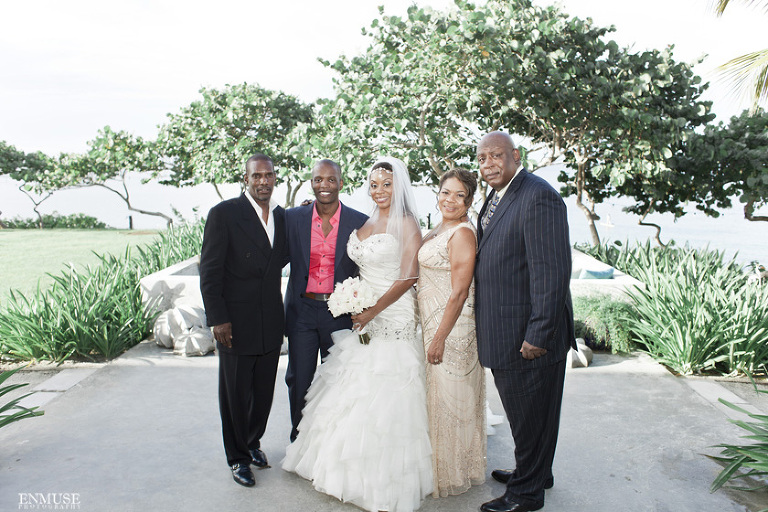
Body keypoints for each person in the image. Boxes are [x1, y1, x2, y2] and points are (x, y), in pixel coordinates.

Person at [282, 157, 433, 512]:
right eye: (374, 184)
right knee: (335, 385)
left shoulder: (405, 222)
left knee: (387, 390)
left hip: (388, 315)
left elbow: (408, 276)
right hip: (345, 311)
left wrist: (371, 309)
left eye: (387, 184)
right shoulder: (360, 221)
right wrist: (359, 304)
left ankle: (384, 472)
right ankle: (310, 444)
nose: (379, 191)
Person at [474, 132, 575, 512]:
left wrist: (538, 333)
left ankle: (525, 494)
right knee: (534, 414)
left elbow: (551, 272)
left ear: (515, 155)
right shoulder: (501, 195)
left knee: (529, 415)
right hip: (508, 328)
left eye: (496, 156)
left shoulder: (538, 196)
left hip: (526, 336)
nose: (488, 164)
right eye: (482, 159)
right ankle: (535, 472)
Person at [199, 154, 287, 487]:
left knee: (263, 392)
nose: (263, 181)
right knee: (235, 393)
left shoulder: (281, 216)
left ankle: (252, 443)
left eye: (268, 175)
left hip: (270, 318)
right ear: (245, 178)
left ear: (275, 178)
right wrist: (218, 318)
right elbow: (209, 271)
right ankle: (237, 458)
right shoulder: (224, 214)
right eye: (256, 176)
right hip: (234, 321)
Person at [283, 159, 368, 442]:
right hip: (302, 311)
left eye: (331, 180)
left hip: (340, 313)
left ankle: (331, 442)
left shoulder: (359, 222)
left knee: (337, 379)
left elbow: (366, 268)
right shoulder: (294, 218)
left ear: (341, 183)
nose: (324, 186)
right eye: (319, 180)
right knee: (300, 379)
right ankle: (299, 438)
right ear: (311, 183)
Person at [417, 168, 486, 498]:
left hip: (451, 326)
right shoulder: (437, 229)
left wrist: (440, 337)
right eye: (446, 192)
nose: (451, 200)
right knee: (434, 398)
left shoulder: (462, 234)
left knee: (450, 398)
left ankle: (452, 472)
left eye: (460, 195)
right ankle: (436, 467)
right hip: (429, 320)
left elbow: (460, 292)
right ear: (438, 193)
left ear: (469, 201)